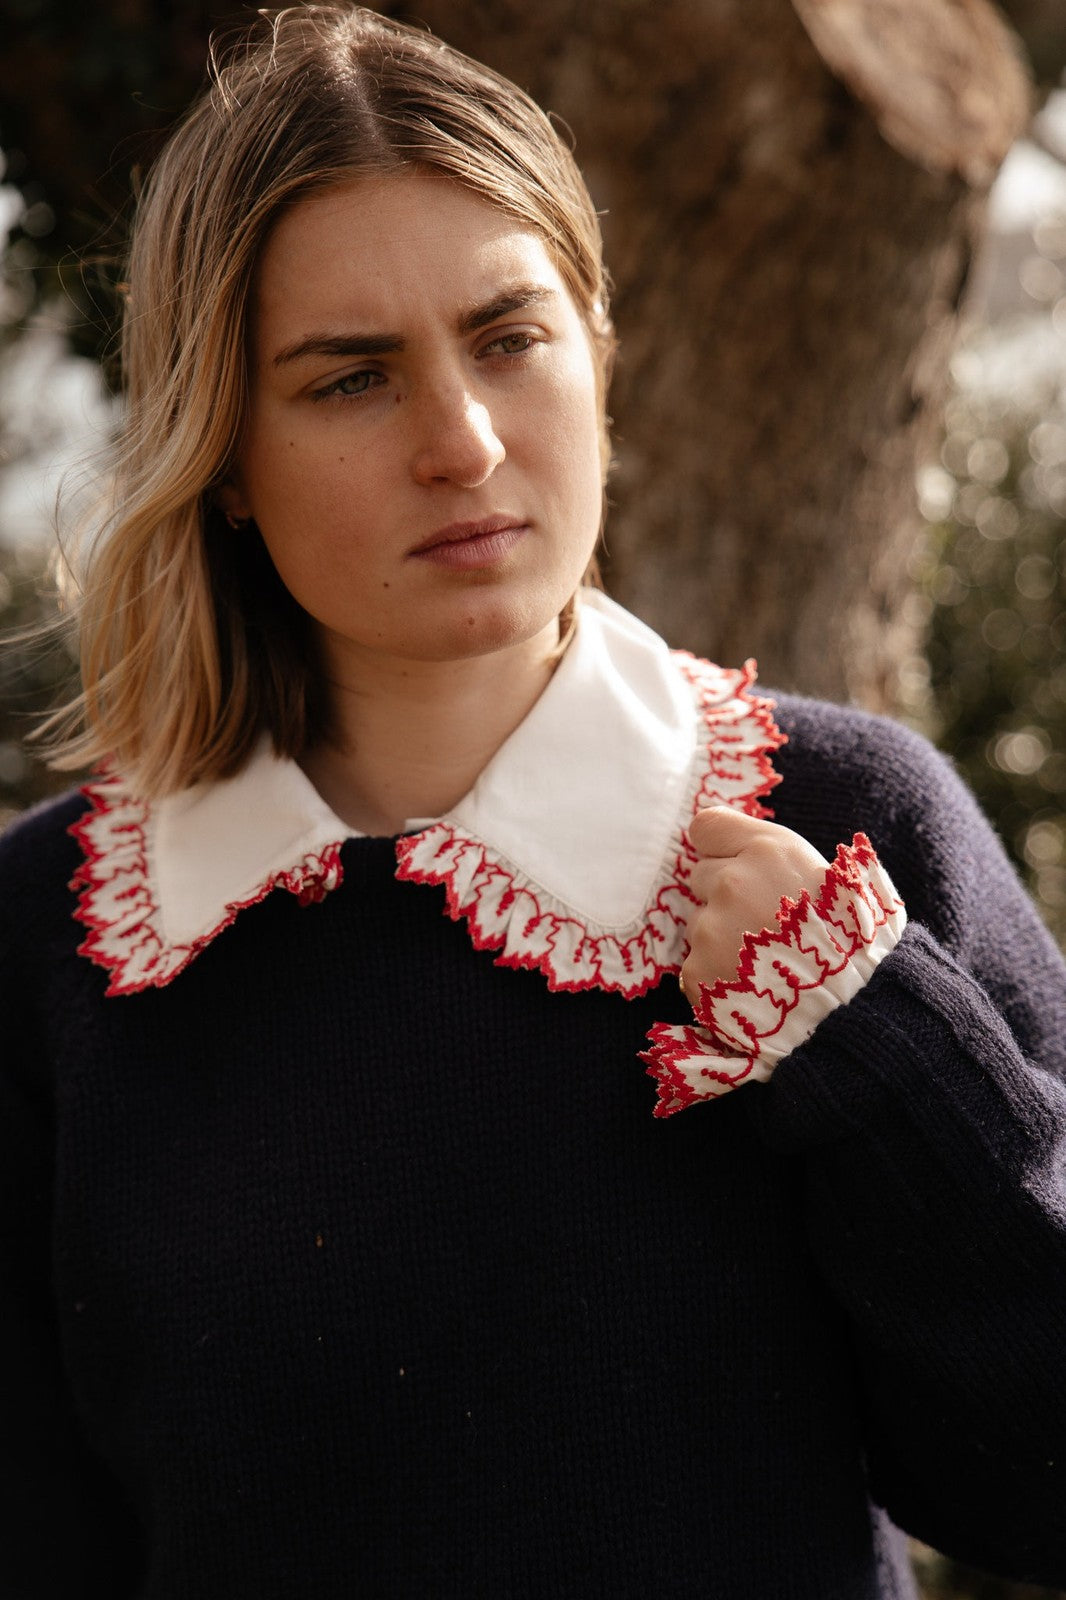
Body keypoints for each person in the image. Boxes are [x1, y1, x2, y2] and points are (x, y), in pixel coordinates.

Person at [2, 6, 1065, 1597]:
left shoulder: (850, 830)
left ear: (599, 343)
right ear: (222, 449)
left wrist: (870, 1045)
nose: (464, 441)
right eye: (350, 380)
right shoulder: (50, 942)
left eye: (508, 337)